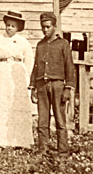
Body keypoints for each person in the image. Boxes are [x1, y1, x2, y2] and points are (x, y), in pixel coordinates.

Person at [0, 11, 35, 148]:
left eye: (13, 26)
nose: (9, 28)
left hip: (17, 75)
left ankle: (19, 141)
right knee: (1, 103)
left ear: (18, 28)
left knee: (16, 104)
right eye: (8, 25)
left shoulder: (23, 42)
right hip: (2, 75)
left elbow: (29, 61)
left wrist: (25, 76)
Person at [30, 12, 75, 155]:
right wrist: (33, 87)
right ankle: (43, 148)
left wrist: (68, 87)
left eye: (48, 27)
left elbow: (69, 66)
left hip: (58, 86)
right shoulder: (40, 45)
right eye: (43, 27)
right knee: (42, 119)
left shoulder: (63, 44)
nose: (45, 30)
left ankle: (63, 150)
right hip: (42, 85)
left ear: (54, 27)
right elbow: (36, 66)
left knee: (60, 119)